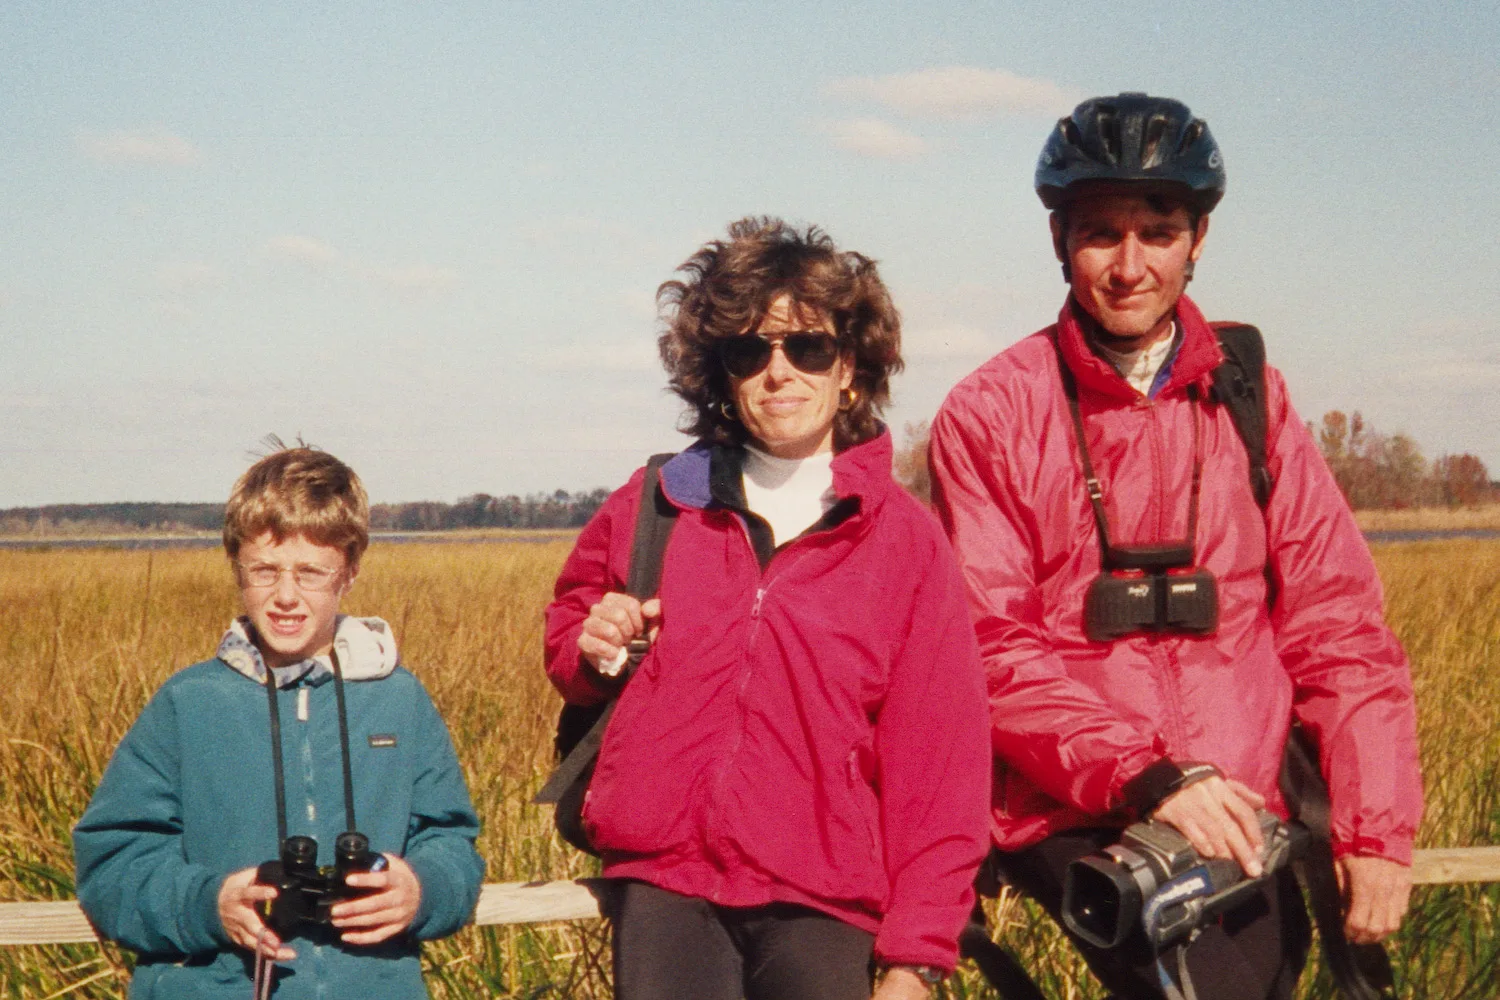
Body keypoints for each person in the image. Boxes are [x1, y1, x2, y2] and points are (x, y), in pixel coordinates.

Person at [928, 93, 1423, 1000]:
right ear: (1058, 240)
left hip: (1245, 804)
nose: (1129, 267)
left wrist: (1375, 829)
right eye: (1100, 234)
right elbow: (990, 646)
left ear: (1199, 240)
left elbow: (1338, 624)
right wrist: (1152, 778)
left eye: (1157, 233)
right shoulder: (992, 412)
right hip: (1076, 805)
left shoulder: (1250, 395)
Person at [545, 217, 991, 1000]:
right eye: (749, 351)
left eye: (807, 347)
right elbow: (570, 632)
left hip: (823, 900)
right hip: (665, 883)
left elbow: (941, 766)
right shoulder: (657, 502)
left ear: (849, 368)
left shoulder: (905, 541)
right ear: (722, 375)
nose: (778, 372)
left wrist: (916, 957)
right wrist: (591, 642)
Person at [74, 446, 484, 999]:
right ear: (237, 569)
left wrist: (421, 890)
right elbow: (111, 865)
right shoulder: (188, 704)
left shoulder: (398, 699)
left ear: (349, 573)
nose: (285, 596)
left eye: (311, 573)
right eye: (264, 571)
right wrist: (209, 905)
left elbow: (452, 843)